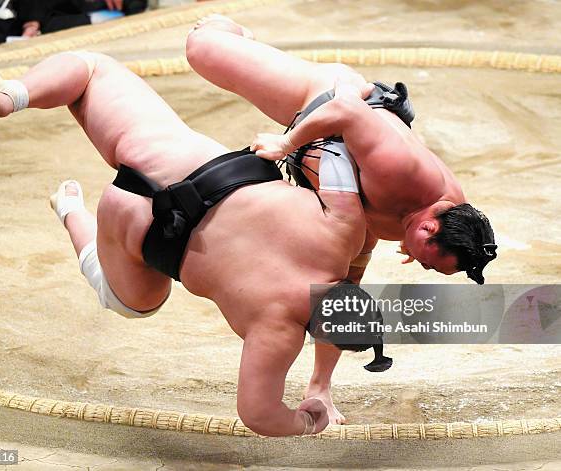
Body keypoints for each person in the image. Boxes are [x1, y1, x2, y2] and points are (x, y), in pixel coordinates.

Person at [0, 44, 384, 436]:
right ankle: (71, 210)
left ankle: (11, 95)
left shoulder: (344, 233)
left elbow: (337, 141)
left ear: (350, 283)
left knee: (92, 69)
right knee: (126, 303)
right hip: (137, 222)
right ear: (319, 334)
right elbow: (257, 413)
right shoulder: (277, 332)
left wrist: (308, 127)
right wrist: (308, 420)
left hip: (179, 160)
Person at [185, 15, 497, 424]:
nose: (417, 262)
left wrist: (402, 239)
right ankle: (235, 34)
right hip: (323, 102)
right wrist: (286, 142)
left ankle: (320, 387)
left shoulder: (445, 219)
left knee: (341, 289)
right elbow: (347, 109)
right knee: (201, 48)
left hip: (337, 173)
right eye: (425, 259)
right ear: (428, 228)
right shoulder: (401, 170)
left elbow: (343, 295)